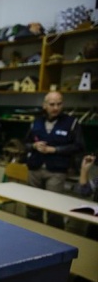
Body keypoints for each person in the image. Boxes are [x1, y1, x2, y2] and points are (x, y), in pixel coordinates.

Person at [24, 91, 83, 228]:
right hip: (35, 168)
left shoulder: (71, 123)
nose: (55, 107)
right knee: (32, 207)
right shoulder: (36, 122)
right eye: (52, 104)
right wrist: (34, 145)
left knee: (54, 209)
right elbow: (25, 144)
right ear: (45, 105)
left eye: (59, 104)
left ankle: (55, 239)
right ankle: (32, 235)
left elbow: (79, 146)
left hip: (56, 171)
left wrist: (55, 150)